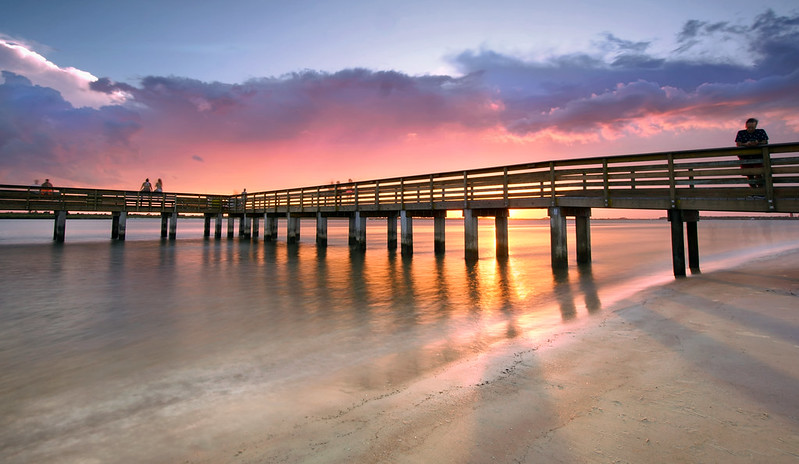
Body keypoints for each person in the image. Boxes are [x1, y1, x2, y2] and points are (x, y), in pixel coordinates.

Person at [735, 118, 769, 187]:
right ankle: (754, 191)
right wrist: (746, 144)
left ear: (755, 126)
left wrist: (757, 143)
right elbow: (738, 144)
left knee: (758, 173)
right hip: (745, 157)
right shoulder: (741, 133)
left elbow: (765, 141)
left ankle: (760, 191)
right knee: (748, 173)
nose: (750, 129)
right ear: (746, 126)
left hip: (758, 156)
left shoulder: (760, 132)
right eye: (748, 127)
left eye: (752, 127)